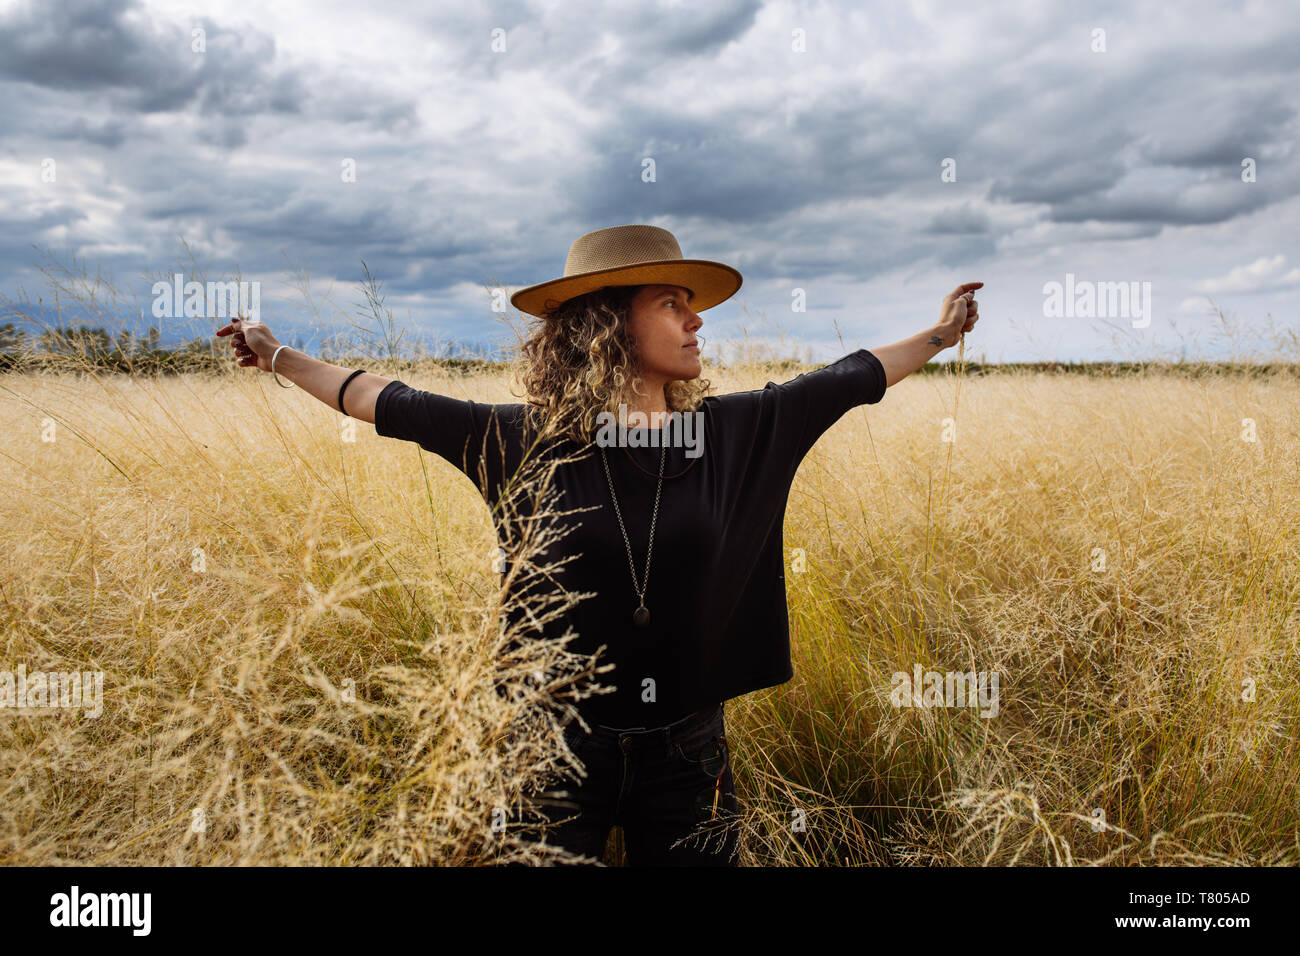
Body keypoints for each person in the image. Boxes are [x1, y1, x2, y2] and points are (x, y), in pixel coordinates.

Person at [217, 223, 981, 866]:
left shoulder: (736, 432)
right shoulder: (517, 443)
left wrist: (943, 333)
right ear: (609, 319)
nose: (697, 321)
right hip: (547, 751)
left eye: (692, 306)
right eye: (672, 303)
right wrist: (276, 354)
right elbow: (383, 401)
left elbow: (852, 376)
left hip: (689, 757)